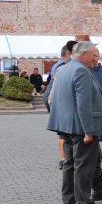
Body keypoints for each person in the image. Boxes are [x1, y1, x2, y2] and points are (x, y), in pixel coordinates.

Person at [46, 42, 102, 204]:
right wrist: (88, 131)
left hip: (67, 127)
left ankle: (68, 202)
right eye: (94, 56)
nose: (97, 59)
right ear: (83, 54)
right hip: (81, 129)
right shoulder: (81, 71)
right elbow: (83, 104)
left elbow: (54, 99)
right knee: (84, 167)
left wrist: (60, 126)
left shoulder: (63, 69)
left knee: (69, 165)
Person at [45, 40, 78, 169]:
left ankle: (65, 158)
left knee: (62, 135)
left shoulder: (58, 66)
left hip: (58, 106)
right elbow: (54, 93)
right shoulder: (62, 67)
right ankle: (64, 158)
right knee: (63, 136)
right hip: (62, 107)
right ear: (68, 54)